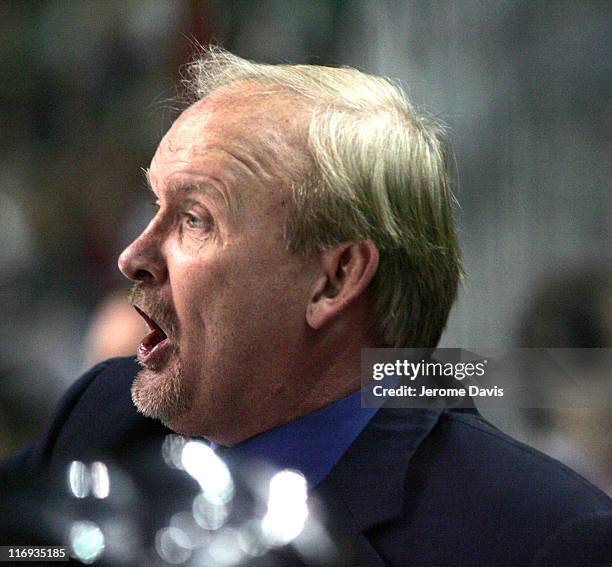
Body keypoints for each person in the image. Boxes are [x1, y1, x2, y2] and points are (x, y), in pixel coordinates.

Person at [1, 47, 610, 566]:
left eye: (193, 219)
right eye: (155, 205)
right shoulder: (101, 417)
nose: (132, 256)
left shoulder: (541, 538)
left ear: (334, 278)